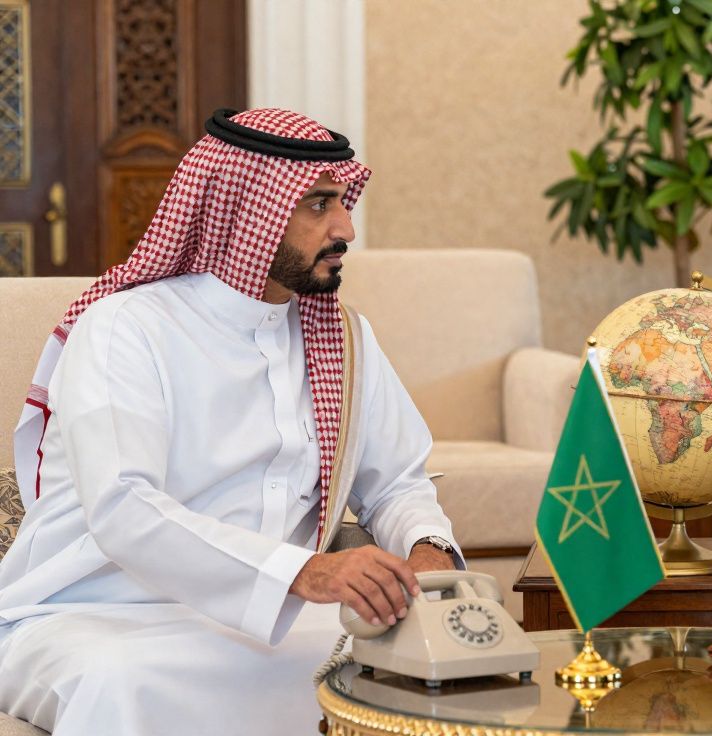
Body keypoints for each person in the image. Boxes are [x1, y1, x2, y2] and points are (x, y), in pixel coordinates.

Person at [0, 108, 464, 734]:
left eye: (344, 201)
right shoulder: (126, 328)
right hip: (92, 613)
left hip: (285, 613)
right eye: (319, 205)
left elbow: (397, 481)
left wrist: (427, 549)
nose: (346, 227)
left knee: (442, 654)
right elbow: (124, 506)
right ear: (248, 211)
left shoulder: (343, 337)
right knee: (121, 681)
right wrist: (307, 571)